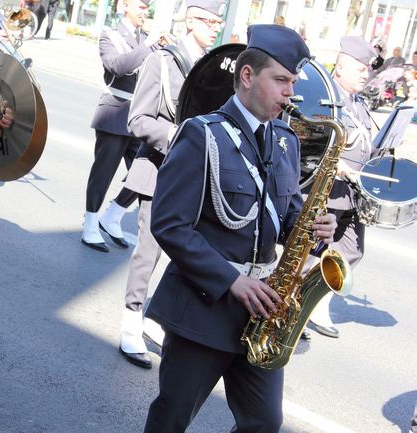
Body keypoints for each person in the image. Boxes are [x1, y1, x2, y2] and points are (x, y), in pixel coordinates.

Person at [142, 24, 337, 433]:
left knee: (264, 423)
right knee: (172, 418)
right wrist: (232, 281)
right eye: (280, 80)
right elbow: (169, 225)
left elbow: (286, 220)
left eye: (292, 82)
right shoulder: (202, 134)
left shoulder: (286, 139)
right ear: (247, 76)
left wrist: (315, 226)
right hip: (204, 306)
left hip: (263, 311)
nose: (290, 92)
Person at [118, 0, 225, 369]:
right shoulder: (162, 61)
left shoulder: (215, 69)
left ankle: (155, 316)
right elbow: (138, 120)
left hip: (197, 177)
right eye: (209, 20)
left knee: (184, 254)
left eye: (218, 21)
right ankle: (131, 322)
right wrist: (178, 134)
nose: (214, 27)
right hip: (160, 169)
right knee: (148, 253)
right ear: (191, 20)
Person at [305, 36, 377, 339]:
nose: (366, 73)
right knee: (312, 253)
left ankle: (316, 302)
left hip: (353, 195)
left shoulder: (360, 104)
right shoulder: (326, 96)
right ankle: (297, 307)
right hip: (329, 189)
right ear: (342, 64)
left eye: (367, 69)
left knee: (352, 250)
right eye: (360, 67)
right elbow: (310, 141)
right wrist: (336, 166)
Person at [82, 0, 164, 252]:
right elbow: (118, 66)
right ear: (125, 6)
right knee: (103, 172)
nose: (145, 11)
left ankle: (114, 214)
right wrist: (148, 44)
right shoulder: (111, 35)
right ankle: (90, 222)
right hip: (116, 112)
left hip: (141, 117)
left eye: (146, 7)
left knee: (145, 173)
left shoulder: (144, 38)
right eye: (140, 6)